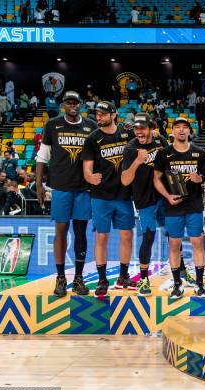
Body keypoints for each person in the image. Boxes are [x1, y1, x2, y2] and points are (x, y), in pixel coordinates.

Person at [36, 91, 97, 297]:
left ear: (80, 104)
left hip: (83, 188)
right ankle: (61, 277)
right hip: (60, 187)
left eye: (76, 102)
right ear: (63, 105)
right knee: (61, 230)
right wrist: (39, 186)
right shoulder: (53, 125)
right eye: (69, 102)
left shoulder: (91, 126)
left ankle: (79, 278)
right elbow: (42, 158)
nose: (72, 105)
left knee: (81, 233)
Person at [81, 101, 135, 298]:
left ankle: (123, 276)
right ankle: (103, 279)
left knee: (126, 235)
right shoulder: (92, 139)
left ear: (113, 114)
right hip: (101, 196)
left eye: (103, 114)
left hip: (124, 194)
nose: (99, 117)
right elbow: (87, 168)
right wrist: (89, 177)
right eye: (97, 113)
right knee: (102, 237)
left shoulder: (127, 134)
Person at [154, 117, 205, 298]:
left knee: (197, 243)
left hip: (194, 206)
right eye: (177, 127)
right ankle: (177, 284)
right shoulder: (164, 153)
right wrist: (167, 196)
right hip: (173, 207)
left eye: (184, 127)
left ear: (189, 131)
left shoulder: (200, 153)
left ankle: (200, 284)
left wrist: (200, 179)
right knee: (174, 245)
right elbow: (156, 179)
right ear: (172, 131)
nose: (181, 130)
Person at [121, 113, 167, 296]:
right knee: (148, 237)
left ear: (151, 128)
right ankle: (143, 279)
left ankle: (180, 273)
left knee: (175, 234)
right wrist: (138, 162)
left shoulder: (160, 141)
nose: (139, 132)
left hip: (164, 195)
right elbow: (125, 180)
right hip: (144, 199)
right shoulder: (131, 148)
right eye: (136, 128)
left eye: (142, 128)